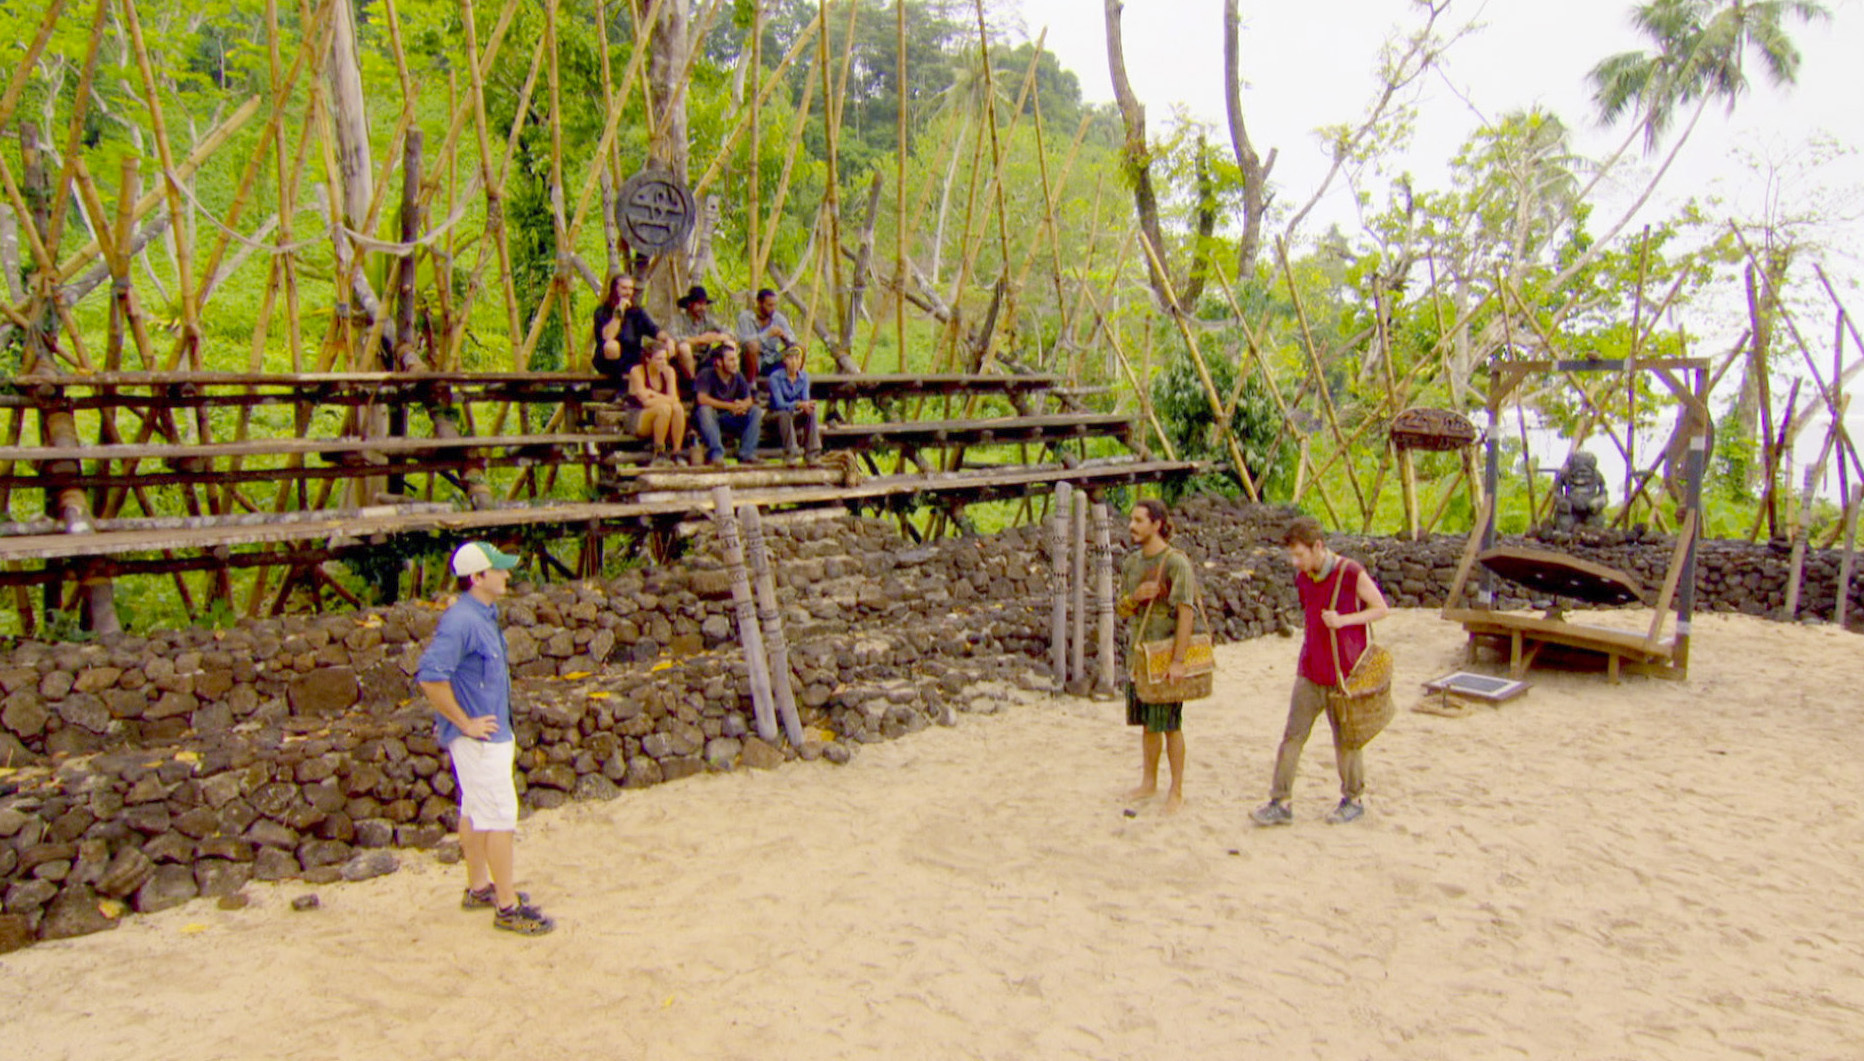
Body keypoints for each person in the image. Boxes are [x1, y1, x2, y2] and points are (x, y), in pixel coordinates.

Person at [417, 541, 555, 935]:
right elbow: (430, 676)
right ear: (477, 577)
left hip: (487, 734)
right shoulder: (463, 621)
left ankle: (480, 887)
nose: (507, 575)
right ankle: (507, 906)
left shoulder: (479, 614)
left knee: (476, 810)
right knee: (498, 816)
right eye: (499, 569)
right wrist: (465, 723)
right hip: (481, 739)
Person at [1251, 516, 1390, 828]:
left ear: (1318, 547)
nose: (1295, 562)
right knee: (1292, 737)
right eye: (1292, 555)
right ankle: (1280, 801)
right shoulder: (1304, 577)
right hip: (1310, 669)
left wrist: (1344, 620)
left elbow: (1381, 608)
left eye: (1300, 555)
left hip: (1345, 674)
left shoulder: (1351, 572)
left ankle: (1353, 799)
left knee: (1347, 741)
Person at [1114, 499, 1199, 815]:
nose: (1132, 526)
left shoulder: (1177, 563)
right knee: (1148, 724)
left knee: (1170, 724)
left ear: (1158, 524)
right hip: (1139, 655)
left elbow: (1186, 614)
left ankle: (1176, 790)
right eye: (1132, 520)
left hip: (1164, 656)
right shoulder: (1131, 564)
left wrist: (1178, 661)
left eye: (1139, 520)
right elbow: (1122, 608)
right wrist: (1135, 598)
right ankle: (1149, 782)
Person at [693, 342, 764, 465]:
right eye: (731, 360)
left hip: (730, 418)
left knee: (755, 411)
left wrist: (742, 405)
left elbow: (749, 399)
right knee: (705, 410)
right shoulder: (706, 374)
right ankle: (716, 455)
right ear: (719, 362)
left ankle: (747, 453)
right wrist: (729, 406)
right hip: (710, 420)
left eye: (736, 359)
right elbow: (702, 399)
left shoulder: (738, 376)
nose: (735, 363)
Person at [592, 273, 665, 388]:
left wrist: (668, 340)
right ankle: (618, 388)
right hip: (608, 361)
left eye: (630, 288)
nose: (628, 292)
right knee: (612, 346)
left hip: (632, 357)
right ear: (614, 290)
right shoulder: (602, 311)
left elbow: (655, 331)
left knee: (662, 350)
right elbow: (608, 336)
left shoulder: (637, 312)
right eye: (624, 288)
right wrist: (619, 311)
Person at [626, 337, 690, 464]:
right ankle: (659, 452)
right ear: (648, 359)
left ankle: (676, 452)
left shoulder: (669, 372)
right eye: (659, 359)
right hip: (639, 415)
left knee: (677, 408)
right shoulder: (637, 371)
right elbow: (645, 402)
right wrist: (667, 400)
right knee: (664, 408)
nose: (663, 363)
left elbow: (675, 399)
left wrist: (653, 394)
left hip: (663, 416)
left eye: (665, 359)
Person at [766, 346, 823, 462]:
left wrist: (807, 406)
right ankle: (791, 452)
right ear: (785, 360)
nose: (794, 362)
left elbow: (805, 399)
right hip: (775, 416)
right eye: (791, 358)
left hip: (795, 416)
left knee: (811, 414)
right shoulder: (775, 377)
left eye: (797, 359)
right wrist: (798, 405)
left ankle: (812, 453)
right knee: (784, 415)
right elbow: (779, 404)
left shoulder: (804, 377)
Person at [668, 284, 731, 382]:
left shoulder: (709, 320)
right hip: (684, 360)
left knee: (729, 344)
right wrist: (698, 340)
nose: (702, 308)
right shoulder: (678, 320)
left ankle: (730, 381)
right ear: (690, 304)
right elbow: (672, 337)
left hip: (705, 358)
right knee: (684, 347)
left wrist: (716, 337)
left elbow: (729, 331)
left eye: (704, 304)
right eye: (699, 304)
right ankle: (692, 383)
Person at [735, 287, 798, 382]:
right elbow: (741, 340)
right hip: (753, 362)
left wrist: (785, 337)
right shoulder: (745, 317)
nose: (773, 308)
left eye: (774, 305)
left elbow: (793, 338)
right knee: (753, 346)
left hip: (773, 358)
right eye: (769, 305)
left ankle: (795, 383)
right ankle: (752, 385)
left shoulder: (778, 318)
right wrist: (766, 335)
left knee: (800, 348)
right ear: (759, 303)